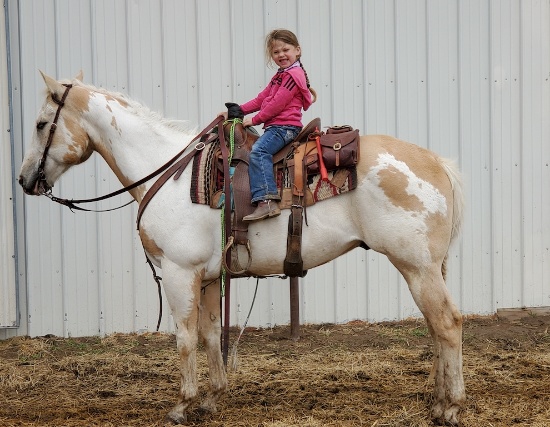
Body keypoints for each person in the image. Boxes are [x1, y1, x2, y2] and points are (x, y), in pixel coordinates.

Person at [223, 29, 317, 221]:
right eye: (276, 52)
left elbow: (277, 104)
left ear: (297, 50)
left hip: (285, 128)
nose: (281, 54)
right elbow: (262, 98)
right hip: (278, 127)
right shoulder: (281, 75)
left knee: (258, 151)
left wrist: (255, 120)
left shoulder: (292, 76)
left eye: (286, 49)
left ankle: (266, 200)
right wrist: (238, 111)